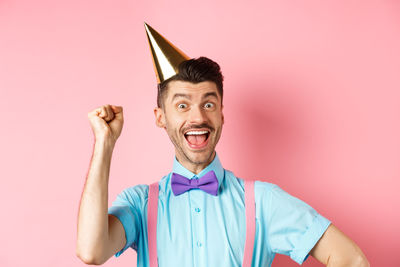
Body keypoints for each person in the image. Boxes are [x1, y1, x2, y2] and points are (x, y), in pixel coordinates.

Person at [76, 24, 370, 267]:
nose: (197, 117)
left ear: (221, 113)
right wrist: (105, 143)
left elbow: (352, 259)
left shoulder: (263, 203)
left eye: (208, 103)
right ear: (160, 117)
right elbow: (91, 251)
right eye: (182, 105)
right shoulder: (140, 204)